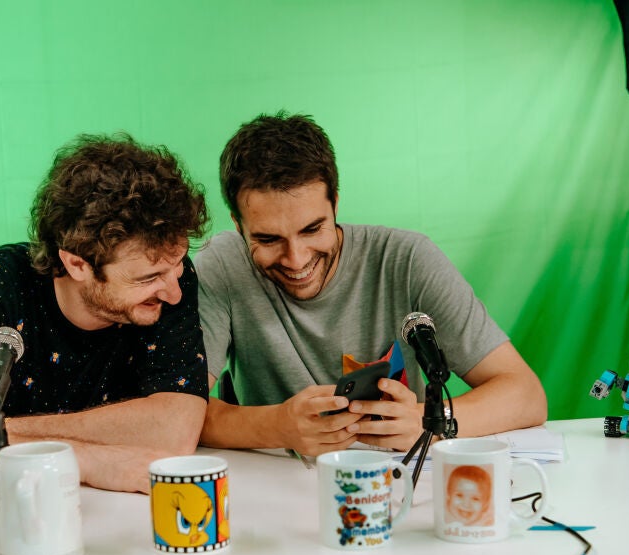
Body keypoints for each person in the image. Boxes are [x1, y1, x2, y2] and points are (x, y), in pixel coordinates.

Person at [194, 112, 547, 457]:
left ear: (335, 203)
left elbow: (526, 395)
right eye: (269, 239)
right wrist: (276, 426)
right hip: (272, 483)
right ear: (238, 226)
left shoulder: (408, 259)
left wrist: (429, 423)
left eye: (312, 229)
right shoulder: (221, 266)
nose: (296, 260)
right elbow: (179, 411)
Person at [0, 134, 210, 493]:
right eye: (148, 278)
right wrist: (87, 461)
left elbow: (175, 431)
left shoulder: (170, 278)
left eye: (177, 266)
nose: (174, 292)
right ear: (76, 264)